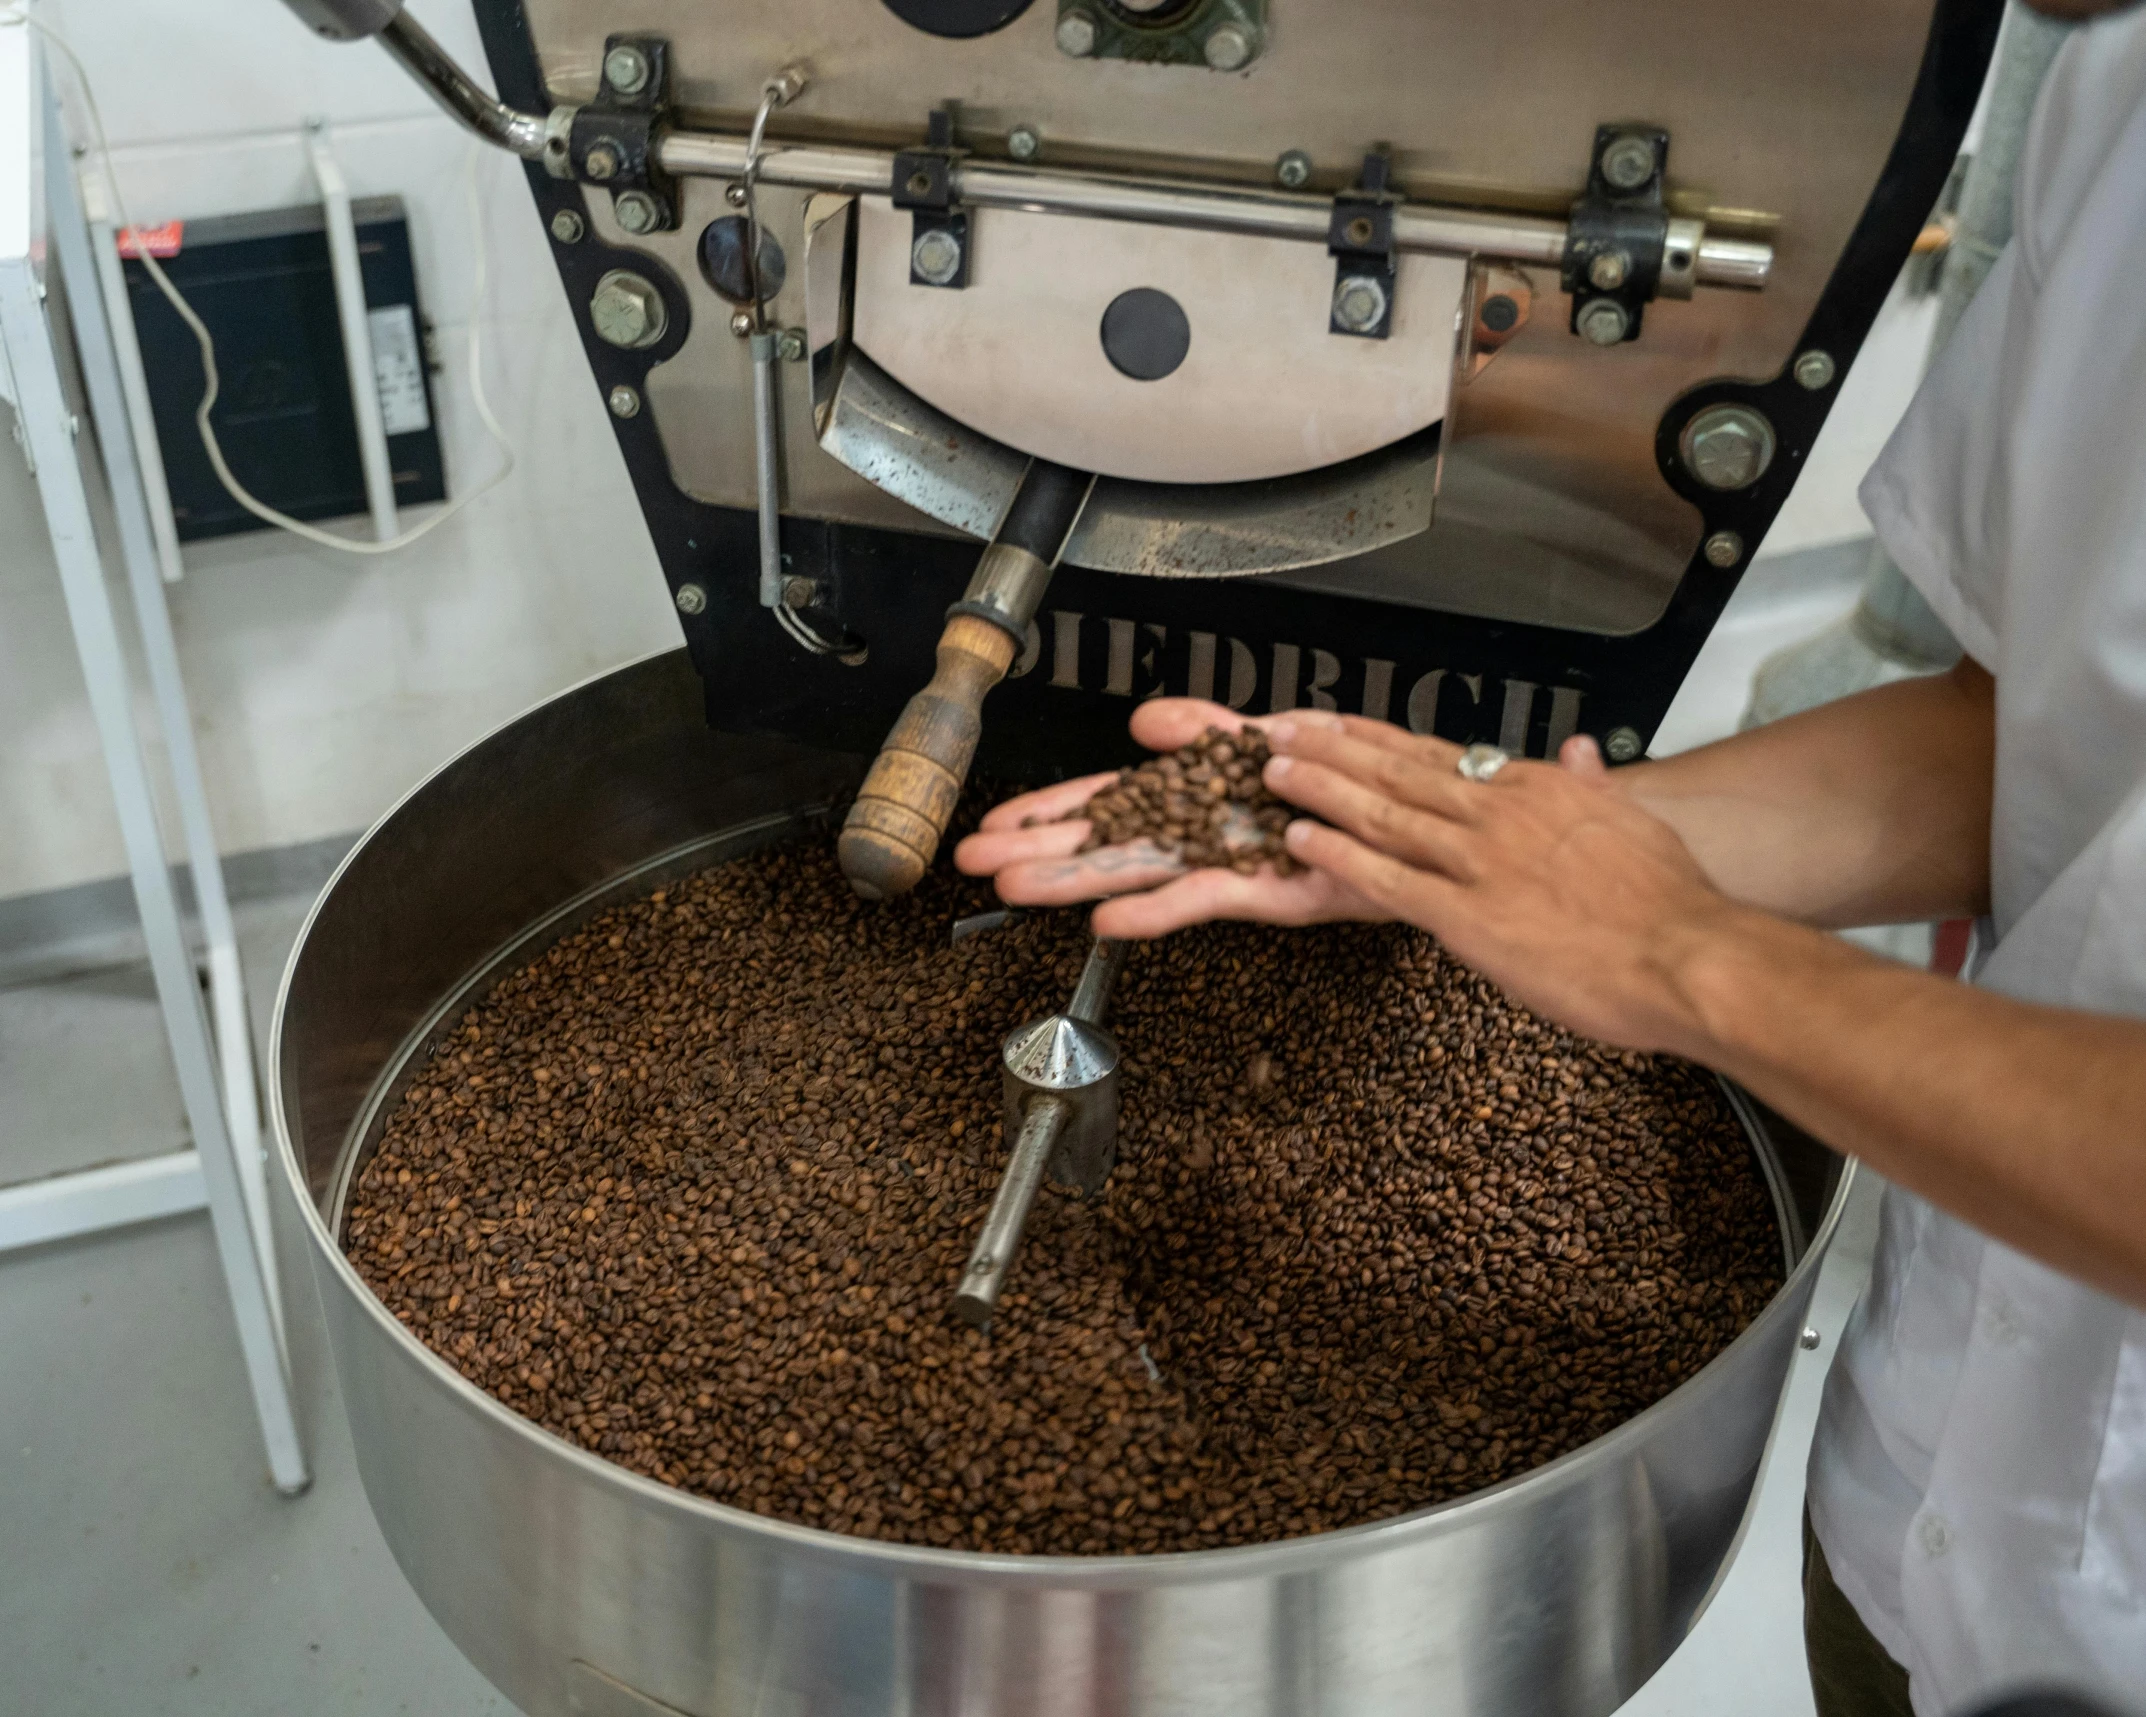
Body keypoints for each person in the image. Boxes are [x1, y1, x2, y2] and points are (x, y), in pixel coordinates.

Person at [955, 5, 2146, 1713]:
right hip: (1929, 1518)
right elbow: (2030, 741)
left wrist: (1680, 960)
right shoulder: (2114, 101)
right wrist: (1490, 839)